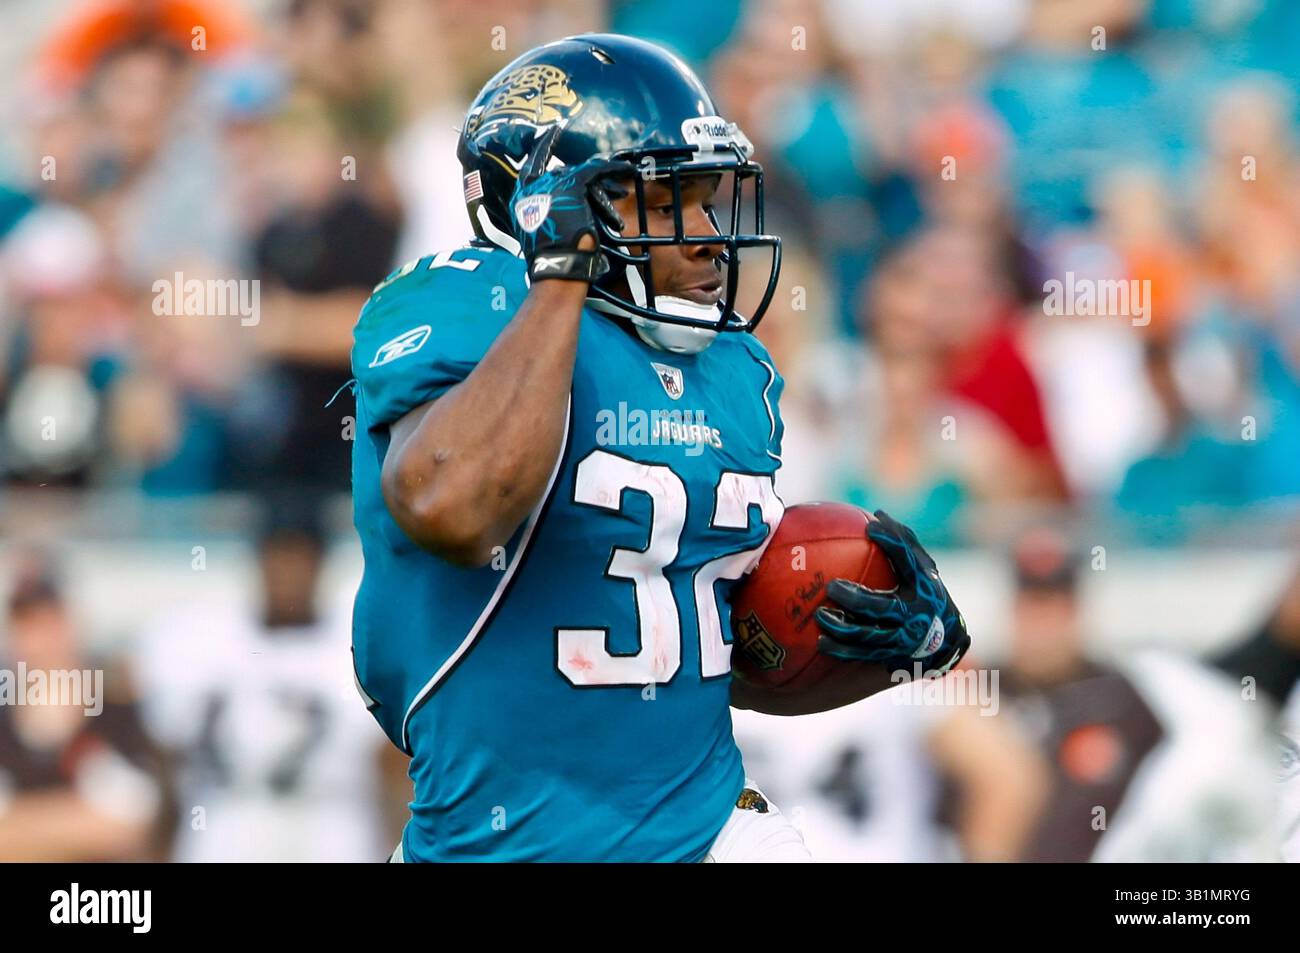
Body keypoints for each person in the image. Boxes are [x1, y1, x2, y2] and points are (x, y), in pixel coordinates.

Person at [349, 34, 969, 862]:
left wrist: (891, 644)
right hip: (485, 838)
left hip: (707, 832)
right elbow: (454, 509)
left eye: (711, 200)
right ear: (552, 202)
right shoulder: (471, 301)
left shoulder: (737, 373)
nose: (710, 234)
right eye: (670, 200)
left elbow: (702, 649)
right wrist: (560, 277)